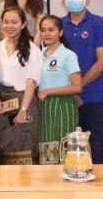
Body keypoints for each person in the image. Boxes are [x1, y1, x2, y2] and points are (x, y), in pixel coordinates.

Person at [61, 0, 103, 163]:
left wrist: (78, 86)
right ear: (63, 0)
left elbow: (102, 62)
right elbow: (52, 62)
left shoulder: (100, 23)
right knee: (67, 152)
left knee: (98, 150)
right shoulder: (57, 26)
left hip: (93, 97)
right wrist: (71, 90)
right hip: (65, 99)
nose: (75, 0)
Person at [0, 7, 43, 165]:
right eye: (6, 22)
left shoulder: (32, 49)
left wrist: (23, 110)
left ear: (23, 25)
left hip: (24, 100)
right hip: (2, 102)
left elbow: (32, 81)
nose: (9, 26)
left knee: (24, 144)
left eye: (14, 22)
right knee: (4, 144)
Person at [37, 15, 82, 165]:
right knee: (46, 152)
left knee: (62, 154)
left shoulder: (68, 55)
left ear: (60, 32)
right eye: (43, 30)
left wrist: (49, 91)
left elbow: (77, 86)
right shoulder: (38, 55)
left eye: (51, 30)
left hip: (62, 107)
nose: (47, 34)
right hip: (44, 108)